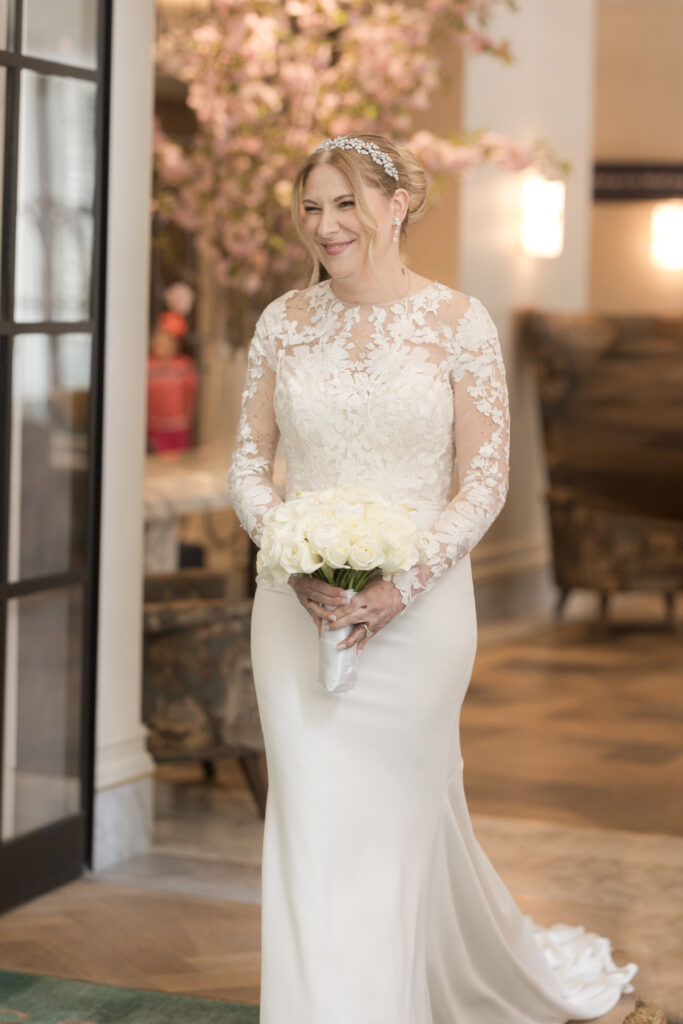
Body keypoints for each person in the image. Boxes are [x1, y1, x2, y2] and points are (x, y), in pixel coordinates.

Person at [228, 132, 637, 1023]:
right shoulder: (280, 325)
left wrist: (398, 587)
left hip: (418, 615)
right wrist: (290, 558)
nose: (324, 225)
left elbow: (483, 480)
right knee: (311, 819)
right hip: (294, 611)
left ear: (395, 204)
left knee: (391, 826)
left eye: (344, 203)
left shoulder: (458, 321)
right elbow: (250, 467)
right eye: (310, 207)